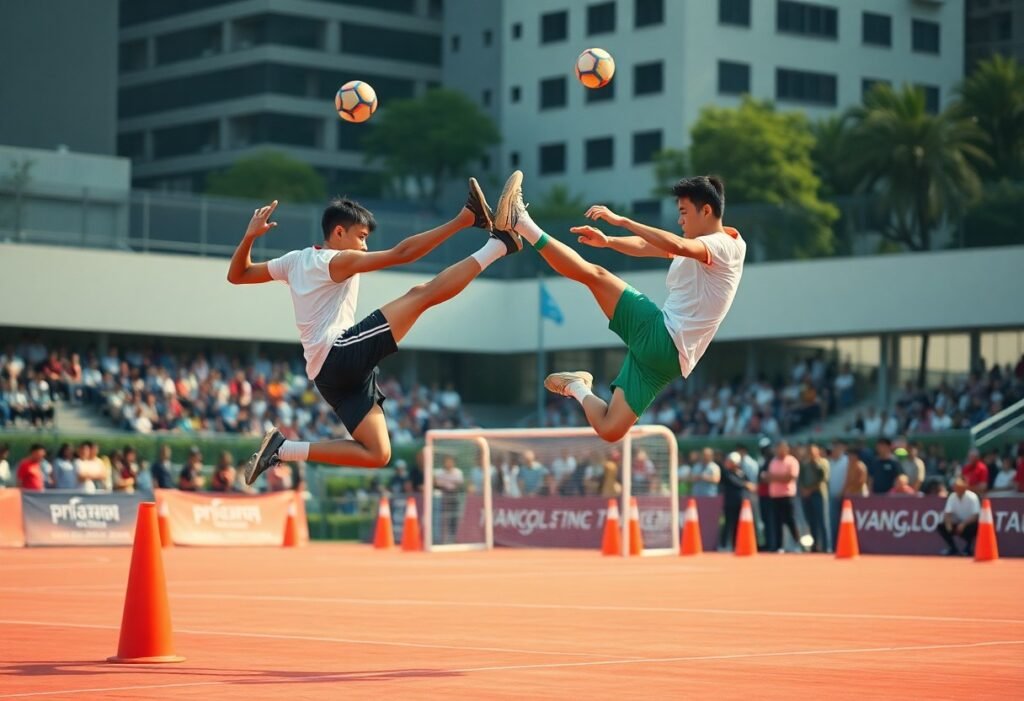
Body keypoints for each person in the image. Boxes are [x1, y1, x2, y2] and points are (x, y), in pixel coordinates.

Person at [234, 183, 517, 482]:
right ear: (339, 233)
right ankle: (498, 245)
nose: (365, 247)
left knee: (378, 453)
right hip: (340, 353)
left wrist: (249, 237)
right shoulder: (337, 260)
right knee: (422, 295)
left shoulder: (293, 261)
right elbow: (404, 254)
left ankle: (284, 449)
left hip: (327, 377)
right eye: (362, 237)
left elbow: (237, 274)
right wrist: (463, 220)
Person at [490, 171, 744, 442]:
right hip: (664, 350)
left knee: (593, 276)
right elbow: (650, 246)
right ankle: (521, 221)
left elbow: (676, 244)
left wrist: (622, 221)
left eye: (683, 212)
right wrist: (609, 241)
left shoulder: (723, 245)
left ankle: (519, 219)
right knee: (593, 276)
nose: (680, 220)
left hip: (663, 344)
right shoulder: (702, 243)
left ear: (706, 210)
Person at [766, 441, 802, 553]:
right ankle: (778, 545)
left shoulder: (792, 461)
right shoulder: (773, 461)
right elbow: (768, 477)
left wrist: (775, 477)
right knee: (777, 522)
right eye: (778, 448)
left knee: (791, 520)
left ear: (787, 449)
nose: (779, 451)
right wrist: (779, 477)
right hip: (775, 495)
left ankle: (797, 544)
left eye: (782, 448)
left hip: (787, 495)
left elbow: (790, 478)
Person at [720, 451, 755, 551]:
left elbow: (749, 482)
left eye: (731, 462)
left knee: (737, 525)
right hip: (730, 503)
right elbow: (735, 482)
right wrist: (746, 485)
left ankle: (735, 545)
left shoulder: (741, 473)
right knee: (728, 524)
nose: (728, 463)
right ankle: (723, 545)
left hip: (741, 503)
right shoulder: (726, 473)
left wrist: (748, 485)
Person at [936, 478, 980, 556]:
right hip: (958, 523)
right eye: (955, 487)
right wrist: (948, 525)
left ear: (964, 488)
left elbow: (975, 515)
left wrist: (963, 524)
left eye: (959, 487)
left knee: (974, 527)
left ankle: (968, 548)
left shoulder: (972, 497)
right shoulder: (952, 496)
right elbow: (947, 513)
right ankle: (953, 548)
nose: (956, 489)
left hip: (970, 524)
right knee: (941, 526)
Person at [799, 443, 830, 552]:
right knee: (811, 521)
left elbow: (822, 479)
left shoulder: (823, 463)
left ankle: (825, 546)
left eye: (813, 452)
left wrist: (809, 490)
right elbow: (801, 478)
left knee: (822, 521)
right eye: (809, 452)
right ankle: (814, 545)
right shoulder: (804, 464)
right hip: (807, 496)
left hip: (818, 495)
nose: (810, 455)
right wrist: (804, 490)